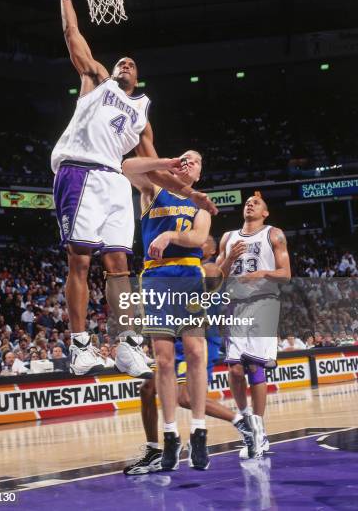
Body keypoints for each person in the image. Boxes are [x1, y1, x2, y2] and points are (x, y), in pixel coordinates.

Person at [51, 0, 218, 379]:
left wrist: (191, 194)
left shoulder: (142, 114)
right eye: (121, 60)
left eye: (131, 62)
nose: (124, 62)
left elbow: (154, 169)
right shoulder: (98, 80)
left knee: (120, 264)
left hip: (114, 181)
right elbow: (73, 38)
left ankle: (127, 344)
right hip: (80, 171)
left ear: (138, 76)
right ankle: (80, 346)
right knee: (80, 260)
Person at [124, 243, 255, 476]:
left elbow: (215, 278)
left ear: (211, 249)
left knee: (185, 398)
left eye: (201, 241)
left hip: (200, 340)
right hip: (175, 338)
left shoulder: (207, 268)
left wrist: (227, 261)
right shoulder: (178, 269)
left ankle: (242, 423)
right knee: (147, 390)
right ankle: (154, 451)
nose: (191, 243)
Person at [122, 151, 212, 471]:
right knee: (163, 360)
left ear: (200, 173)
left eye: (194, 161)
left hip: (188, 275)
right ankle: (171, 435)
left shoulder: (200, 201)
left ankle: (199, 432)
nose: (188, 162)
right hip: (157, 277)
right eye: (184, 158)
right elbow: (127, 166)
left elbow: (199, 238)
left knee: (196, 352)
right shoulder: (153, 189)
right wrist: (165, 163)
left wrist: (170, 234)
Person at [216, 193, 291, 458]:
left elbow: (286, 273)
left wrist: (262, 273)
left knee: (254, 364)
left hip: (265, 301)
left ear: (265, 212)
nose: (250, 204)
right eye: (247, 202)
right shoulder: (227, 237)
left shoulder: (274, 234)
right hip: (235, 306)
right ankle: (248, 423)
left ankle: (260, 430)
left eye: (256, 202)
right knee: (235, 369)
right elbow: (215, 275)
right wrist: (228, 259)